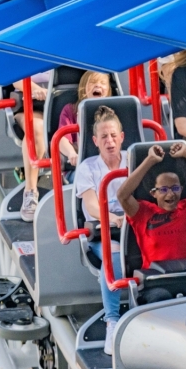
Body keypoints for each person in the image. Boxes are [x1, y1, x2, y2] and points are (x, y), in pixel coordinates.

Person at [117, 142, 186, 303]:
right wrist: (149, 160)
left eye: (175, 188)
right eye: (163, 189)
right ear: (153, 193)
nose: (170, 194)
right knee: (161, 298)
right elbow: (122, 195)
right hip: (155, 282)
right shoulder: (143, 212)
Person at [74, 106, 128, 353]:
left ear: (122, 137)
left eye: (114, 135)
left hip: (134, 223)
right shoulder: (88, 167)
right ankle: (112, 321)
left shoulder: (132, 160)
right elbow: (92, 206)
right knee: (113, 252)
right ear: (95, 141)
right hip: (104, 229)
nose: (110, 141)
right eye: (104, 137)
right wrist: (113, 218)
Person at [14, 71, 51, 222]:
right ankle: (30, 191)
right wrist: (35, 89)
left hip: (62, 102)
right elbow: (15, 77)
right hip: (30, 104)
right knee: (37, 127)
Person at [57, 71, 111, 167]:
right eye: (93, 82)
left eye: (103, 83)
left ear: (108, 90)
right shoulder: (70, 110)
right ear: (84, 87)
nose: (98, 85)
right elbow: (62, 139)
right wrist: (71, 153)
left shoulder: (113, 111)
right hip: (81, 166)